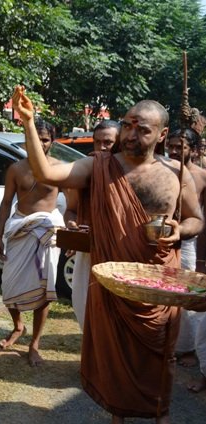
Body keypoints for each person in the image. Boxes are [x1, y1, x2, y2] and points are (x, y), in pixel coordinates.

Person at [12, 85, 204, 424]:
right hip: (113, 281)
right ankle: (118, 415)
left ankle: (161, 413)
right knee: (115, 353)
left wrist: (180, 230)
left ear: (160, 135)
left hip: (158, 284)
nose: (130, 134)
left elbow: (195, 219)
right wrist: (28, 122)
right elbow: (46, 173)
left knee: (160, 354)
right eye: (127, 125)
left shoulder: (176, 173)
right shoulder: (97, 166)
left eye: (142, 129)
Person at [0, 117, 64, 367]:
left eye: (45, 139)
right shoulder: (15, 169)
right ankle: (18, 327)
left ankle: (35, 344)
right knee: (9, 285)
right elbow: (6, 202)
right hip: (20, 230)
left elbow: (77, 201)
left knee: (45, 290)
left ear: (52, 141)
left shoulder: (59, 168)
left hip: (46, 233)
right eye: (36, 138)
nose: (40, 143)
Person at [63, 119, 120, 330]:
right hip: (88, 251)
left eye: (108, 142)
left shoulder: (130, 172)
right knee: (83, 304)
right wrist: (72, 225)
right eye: (97, 142)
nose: (102, 148)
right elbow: (71, 210)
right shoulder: (87, 171)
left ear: (120, 143)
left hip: (121, 253)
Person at [166, 129, 206, 392]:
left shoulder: (202, 176)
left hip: (190, 241)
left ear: (193, 148)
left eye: (180, 147)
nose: (175, 152)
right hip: (163, 238)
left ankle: (189, 350)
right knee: (165, 293)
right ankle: (168, 345)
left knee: (188, 297)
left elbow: (200, 217)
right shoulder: (162, 169)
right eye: (171, 146)